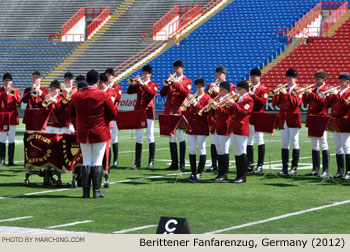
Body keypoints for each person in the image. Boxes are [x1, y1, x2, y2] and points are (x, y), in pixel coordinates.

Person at [68, 69, 117, 198]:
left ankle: (85, 191)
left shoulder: (76, 95)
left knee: (86, 161)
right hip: (100, 130)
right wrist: (104, 120)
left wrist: (78, 123)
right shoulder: (103, 95)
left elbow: (71, 113)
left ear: (86, 80)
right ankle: (96, 191)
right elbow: (113, 113)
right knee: (97, 161)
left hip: (83, 131)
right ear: (98, 81)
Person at [160, 60, 192, 171]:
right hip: (169, 111)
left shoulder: (187, 81)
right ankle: (174, 163)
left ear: (182, 69)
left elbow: (185, 93)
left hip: (179, 111)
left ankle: (182, 163)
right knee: (171, 137)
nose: (175, 70)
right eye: (174, 68)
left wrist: (175, 83)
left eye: (177, 68)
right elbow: (163, 93)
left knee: (180, 136)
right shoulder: (171, 81)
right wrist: (167, 83)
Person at [127, 65, 158, 169]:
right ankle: (137, 161)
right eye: (143, 73)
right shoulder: (139, 85)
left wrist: (142, 84)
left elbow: (151, 93)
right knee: (139, 137)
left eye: (146, 73)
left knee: (150, 136)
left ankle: (151, 161)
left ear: (150, 74)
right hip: (139, 112)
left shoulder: (154, 84)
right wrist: (133, 84)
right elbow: (129, 92)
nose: (143, 75)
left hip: (148, 113)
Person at [272, 68, 302, 176]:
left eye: (291, 78)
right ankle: (284, 167)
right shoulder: (284, 89)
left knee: (294, 141)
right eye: (287, 77)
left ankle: (294, 167)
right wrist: (276, 93)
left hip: (293, 119)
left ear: (295, 79)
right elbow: (275, 103)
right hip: (283, 119)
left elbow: (296, 103)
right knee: (284, 143)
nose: (288, 80)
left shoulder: (298, 89)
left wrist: (286, 94)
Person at [205, 65, 235, 172]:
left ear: (224, 75)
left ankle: (223, 167)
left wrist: (217, 90)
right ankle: (214, 164)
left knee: (223, 144)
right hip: (213, 116)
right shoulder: (212, 85)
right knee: (213, 141)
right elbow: (206, 98)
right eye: (216, 74)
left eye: (219, 74)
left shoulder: (230, 86)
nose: (217, 76)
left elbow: (231, 98)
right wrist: (209, 90)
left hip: (223, 117)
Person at [302, 70, 329, 177]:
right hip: (312, 118)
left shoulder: (326, 90)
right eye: (316, 79)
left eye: (318, 79)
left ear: (324, 80)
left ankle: (325, 169)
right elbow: (305, 102)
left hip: (321, 118)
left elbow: (322, 101)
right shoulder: (314, 90)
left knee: (323, 143)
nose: (316, 81)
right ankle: (315, 169)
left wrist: (311, 94)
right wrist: (305, 93)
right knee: (314, 145)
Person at [183, 77, 211, 180]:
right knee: (191, 149)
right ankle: (193, 172)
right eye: (197, 87)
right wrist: (186, 105)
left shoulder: (207, 99)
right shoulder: (192, 97)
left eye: (200, 87)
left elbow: (205, 112)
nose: (198, 89)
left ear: (204, 87)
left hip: (201, 127)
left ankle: (199, 172)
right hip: (192, 127)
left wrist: (195, 103)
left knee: (202, 149)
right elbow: (188, 113)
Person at [226, 81, 254, 183]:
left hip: (242, 128)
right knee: (237, 152)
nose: (238, 90)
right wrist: (228, 105)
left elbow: (243, 112)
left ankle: (243, 176)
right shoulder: (238, 99)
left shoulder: (249, 100)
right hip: (234, 127)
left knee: (242, 152)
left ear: (245, 89)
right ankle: (238, 175)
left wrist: (233, 104)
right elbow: (231, 112)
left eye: (240, 89)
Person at [325, 73, 350, 180]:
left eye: (342, 81)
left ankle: (348, 171)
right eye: (339, 81)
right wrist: (329, 95)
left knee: (346, 146)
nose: (339, 83)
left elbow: (346, 104)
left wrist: (337, 95)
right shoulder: (338, 92)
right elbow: (328, 105)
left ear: (348, 82)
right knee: (337, 146)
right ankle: (340, 171)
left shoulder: (349, 92)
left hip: (345, 122)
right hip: (335, 122)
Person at [247, 68, 269, 173]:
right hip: (250, 117)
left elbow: (262, 102)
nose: (252, 79)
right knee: (249, 140)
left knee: (259, 139)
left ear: (259, 77)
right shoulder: (250, 88)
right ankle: (250, 163)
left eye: (254, 76)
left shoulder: (264, 89)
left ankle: (260, 165)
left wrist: (252, 94)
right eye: (251, 77)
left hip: (259, 117)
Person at [210, 81, 231, 181]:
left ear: (226, 90)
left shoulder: (229, 99)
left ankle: (224, 173)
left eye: (222, 90)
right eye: (220, 89)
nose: (220, 91)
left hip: (224, 127)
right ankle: (220, 172)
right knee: (219, 150)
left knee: (224, 150)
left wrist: (217, 106)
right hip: (216, 127)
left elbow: (227, 113)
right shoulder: (218, 98)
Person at [0, 73, 20, 166]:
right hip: (2, 117)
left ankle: (11, 160)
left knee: (11, 139)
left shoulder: (15, 90)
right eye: (5, 80)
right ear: (3, 81)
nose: (7, 82)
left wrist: (12, 93)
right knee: (2, 139)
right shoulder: (0, 90)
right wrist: (5, 92)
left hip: (12, 118)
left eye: (9, 80)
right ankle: (2, 160)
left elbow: (18, 102)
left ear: (11, 82)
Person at [98, 73, 118, 168]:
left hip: (107, 121)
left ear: (105, 83)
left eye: (100, 82)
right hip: (97, 121)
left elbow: (109, 105)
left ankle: (107, 165)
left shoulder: (112, 92)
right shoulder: (97, 91)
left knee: (107, 144)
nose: (98, 84)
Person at [105, 68, 122, 168]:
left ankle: (115, 160)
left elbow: (117, 98)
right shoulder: (104, 87)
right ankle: (108, 160)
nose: (107, 77)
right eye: (106, 75)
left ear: (113, 76)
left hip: (114, 115)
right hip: (106, 115)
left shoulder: (117, 87)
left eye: (109, 75)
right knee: (107, 138)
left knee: (114, 138)